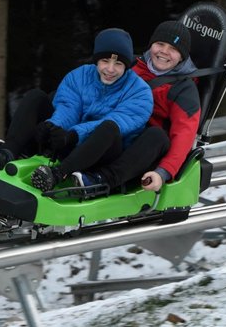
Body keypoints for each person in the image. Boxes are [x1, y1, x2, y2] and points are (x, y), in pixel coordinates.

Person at [0, 27, 153, 192]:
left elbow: (119, 123)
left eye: (118, 64)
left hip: (102, 151)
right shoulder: (79, 76)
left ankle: (57, 175)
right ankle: (6, 155)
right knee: (36, 96)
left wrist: (72, 135)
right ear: (96, 60)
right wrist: (53, 126)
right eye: (105, 61)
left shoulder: (140, 92)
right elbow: (68, 106)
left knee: (109, 127)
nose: (110, 69)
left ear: (127, 67)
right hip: (68, 143)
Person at [71, 20, 201, 195]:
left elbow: (184, 136)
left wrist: (163, 172)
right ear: (151, 45)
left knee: (157, 135)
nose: (164, 51)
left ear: (182, 57)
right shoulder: (130, 65)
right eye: (160, 44)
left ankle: (100, 180)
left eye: (173, 49)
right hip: (113, 135)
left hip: (142, 153)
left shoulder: (184, 90)